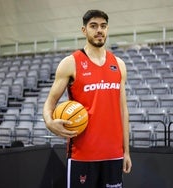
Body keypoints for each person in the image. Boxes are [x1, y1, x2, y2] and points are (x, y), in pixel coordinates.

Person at [43, 9, 132, 188]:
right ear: (84, 30)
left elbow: (123, 111)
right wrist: (49, 122)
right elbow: (49, 103)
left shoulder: (119, 65)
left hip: (113, 154)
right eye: (93, 26)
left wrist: (126, 152)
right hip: (82, 154)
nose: (99, 30)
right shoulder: (70, 63)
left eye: (103, 26)